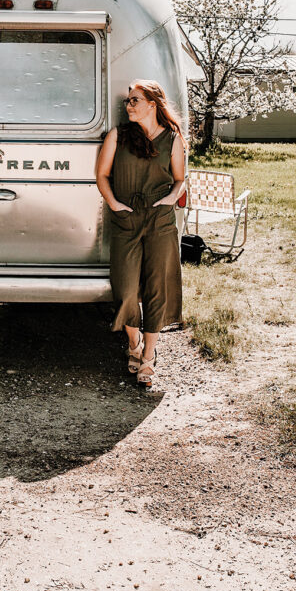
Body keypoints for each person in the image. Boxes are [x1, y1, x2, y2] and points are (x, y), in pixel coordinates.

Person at [95, 79, 186, 388]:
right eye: (128, 101)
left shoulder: (172, 139)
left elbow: (179, 179)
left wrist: (169, 201)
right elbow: (102, 175)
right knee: (126, 288)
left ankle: (147, 357)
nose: (128, 105)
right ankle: (133, 344)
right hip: (127, 219)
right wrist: (115, 205)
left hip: (160, 220)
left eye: (134, 100)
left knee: (158, 287)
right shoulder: (118, 136)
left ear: (152, 104)